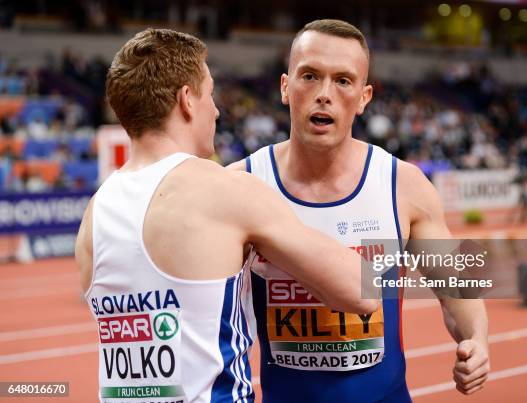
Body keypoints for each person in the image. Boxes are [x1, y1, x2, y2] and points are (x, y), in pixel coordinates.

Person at [74, 28, 377, 403]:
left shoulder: (94, 214)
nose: (216, 110)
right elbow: (361, 290)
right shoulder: (225, 190)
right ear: (187, 100)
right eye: (210, 94)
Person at [228, 20, 490, 402]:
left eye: (343, 81)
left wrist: (477, 341)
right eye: (310, 76)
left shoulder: (403, 186)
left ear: (365, 97)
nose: (324, 94)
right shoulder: (242, 185)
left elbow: (455, 290)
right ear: (285, 86)